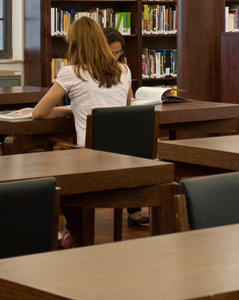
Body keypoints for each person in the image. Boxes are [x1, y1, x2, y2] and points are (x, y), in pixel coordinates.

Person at [32, 17, 132, 246]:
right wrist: (75, 109)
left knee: (53, 169)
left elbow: (39, 113)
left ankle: (74, 229)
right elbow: (125, 109)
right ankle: (73, 229)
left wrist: (71, 110)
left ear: (75, 45)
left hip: (92, 159)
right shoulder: (123, 70)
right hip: (125, 156)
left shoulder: (71, 72)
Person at [102, 26, 150, 228]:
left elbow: (128, 100)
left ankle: (134, 209)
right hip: (101, 130)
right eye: (111, 52)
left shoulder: (124, 70)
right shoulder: (86, 71)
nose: (115, 57)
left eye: (118, 52)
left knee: (136, 147)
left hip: (117, 126)